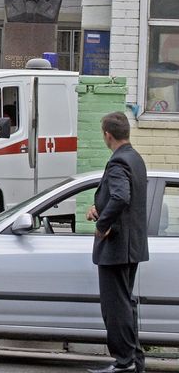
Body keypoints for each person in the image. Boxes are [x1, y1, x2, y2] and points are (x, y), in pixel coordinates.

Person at [85, 112, 149, 373]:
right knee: (125, 303)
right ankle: (134, 360)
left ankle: (124, 362)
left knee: (115, 306)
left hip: (116, 246)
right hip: (131, 245)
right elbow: (123, 198)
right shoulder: (135, 159)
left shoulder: (118, 162)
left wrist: (102, 225)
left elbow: (121, 197)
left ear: (107, 135)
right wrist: (98, 207)